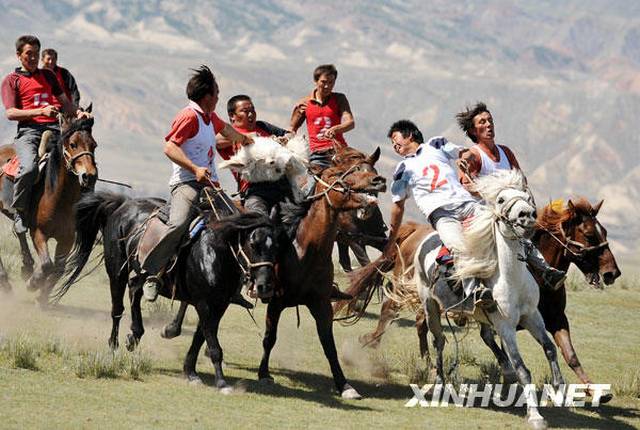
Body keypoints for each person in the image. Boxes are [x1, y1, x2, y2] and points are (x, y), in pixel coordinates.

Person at [140, 66, 253, 302]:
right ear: (207, 96)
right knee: (179, 224)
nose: (219, 97)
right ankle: (152, 273)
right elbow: (170, 147)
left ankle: (236, 282)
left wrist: (245, 139)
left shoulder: (209, 117)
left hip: (211, 186)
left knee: (239, 222)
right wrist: (194, 168)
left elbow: (227, 130)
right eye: (217, 93)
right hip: (187, 184)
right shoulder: (189, 116)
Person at [384, 120, 494, 309]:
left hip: (467, 204)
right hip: (442, 214)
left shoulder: (436, 144)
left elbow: (464, 153)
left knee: (500, 223)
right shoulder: (402, 169)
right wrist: (392, 235)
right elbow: (398, 205)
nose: (394, 146)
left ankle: (542, 268)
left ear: (410, 135)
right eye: (392, 144)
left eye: (396, 139)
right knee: (457, 246)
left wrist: (465, 159)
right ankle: (474, 292)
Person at [455, 102, 565, 289]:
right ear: (473, 131)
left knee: (529, 232)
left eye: (490, 120)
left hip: (509, 212)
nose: (489, 124)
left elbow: (521, 179)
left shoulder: (506, 152)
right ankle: (471, 288)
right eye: (483, 122)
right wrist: (494, 190)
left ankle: (545, 272)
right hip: (484, 212)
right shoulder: (473, 154)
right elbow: (466, 183)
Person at [1, 35, 90, 234]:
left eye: (35, 54)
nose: (33, 58)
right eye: (28, 54)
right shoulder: (11, 81)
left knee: (84, 161)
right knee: (30, 168)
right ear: (18, 55)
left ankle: (83, 216)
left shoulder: (48, 76)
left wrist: (77, 112)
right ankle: (20, 212)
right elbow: (11, 113)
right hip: (29, 133)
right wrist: (39, 112)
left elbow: (65, 104)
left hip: (56, 131)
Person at [217, 94, 292, 215]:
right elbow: (217, 141)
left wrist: (285, 139)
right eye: (245, 111)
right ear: (232, 116)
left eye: (252, 110)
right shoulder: (229, 134)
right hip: (255, 189)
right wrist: (251, 138)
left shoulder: (263, 126)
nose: (251, 114)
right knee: (258, 220)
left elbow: (289, 134)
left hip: (282, 183)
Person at [290, 64, 354, 172]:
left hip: (340, 152)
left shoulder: (339, 99)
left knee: (362, 177)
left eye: (331, 83)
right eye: (324, 82)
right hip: (318, 156)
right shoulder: (304, 103)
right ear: (316, 81)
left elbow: (350, 122)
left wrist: (336, 129)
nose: (327, 86)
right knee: (311, 186)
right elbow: (292, 129)